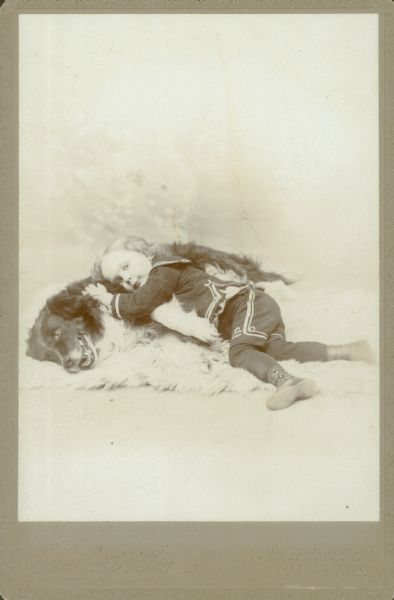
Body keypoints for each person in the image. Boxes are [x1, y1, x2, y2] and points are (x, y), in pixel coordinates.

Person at [86, 240, 375, 411]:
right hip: (255, 307)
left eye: (125, 266)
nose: (128, 280)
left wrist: (107, 298)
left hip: (244, 305)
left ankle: (287, 381)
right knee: (278, 348)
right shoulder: (161, 274)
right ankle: (348, 350)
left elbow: (137, 304)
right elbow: (145, 303)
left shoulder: (163, 270)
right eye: (119, 281)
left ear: (142, 252)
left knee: (239, 353)